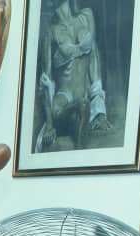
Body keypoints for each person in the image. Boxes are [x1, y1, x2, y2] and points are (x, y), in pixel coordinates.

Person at [35, 0, 111, 152]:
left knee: (83, 105)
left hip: (83, 96)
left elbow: (94, 58)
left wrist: (99, 107)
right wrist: (49, 125)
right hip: (62, 100)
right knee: (82, 105)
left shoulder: (87, 16)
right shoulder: (51, 32)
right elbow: (45, 82)